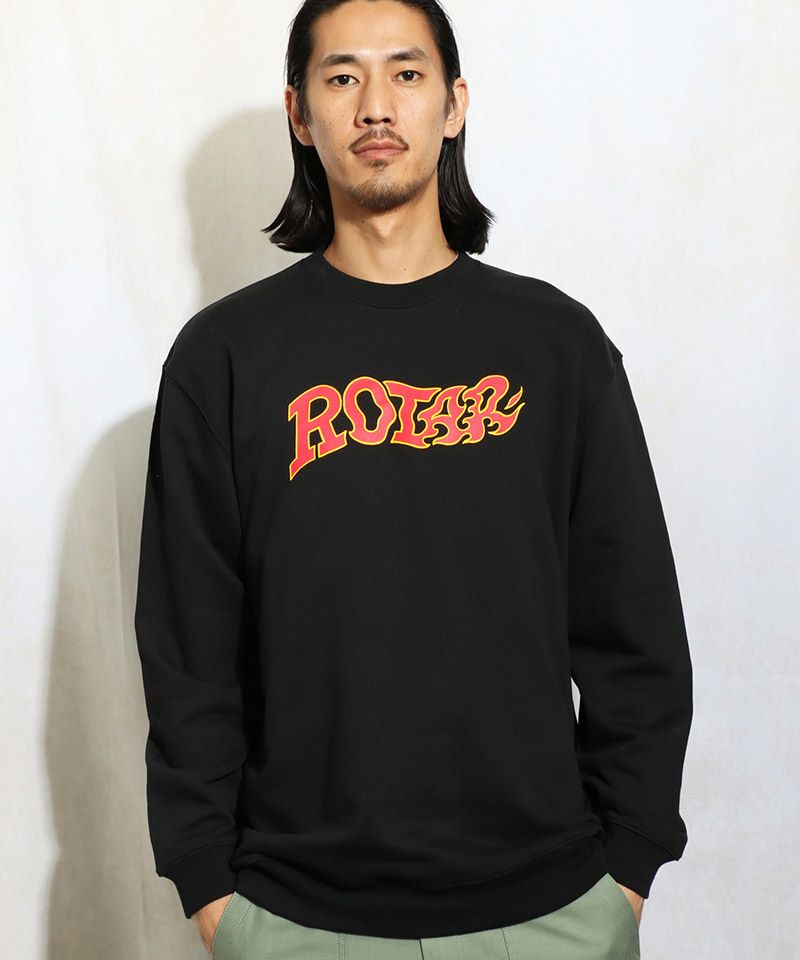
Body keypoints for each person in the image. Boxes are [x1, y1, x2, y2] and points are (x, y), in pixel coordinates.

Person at [134, 1, 693, 957]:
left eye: (406, 72)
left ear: (453, 102)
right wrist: (209, 887)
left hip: (552, 909)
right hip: (295, 917)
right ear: (300, 113)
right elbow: (189, 647)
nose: (375, 105)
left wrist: (628, 867)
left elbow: (632, 623)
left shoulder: (556, 345)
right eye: (341, 77)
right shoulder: (224, 358)